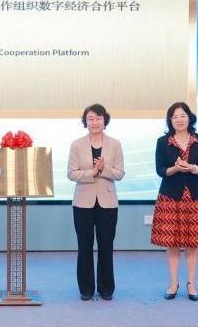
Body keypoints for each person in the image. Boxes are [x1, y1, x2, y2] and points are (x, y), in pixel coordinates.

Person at [151, 101, 198, 301]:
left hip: (194, 197)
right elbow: (160, 170)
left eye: (182, 116)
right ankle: (173, 283)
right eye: (175, 117)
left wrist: (193, 168)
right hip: (171, 198)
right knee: (172, 243)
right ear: (170, 120)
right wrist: (175, 169)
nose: (179, 120)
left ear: (190, 118)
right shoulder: (163, 141)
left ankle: (191, 284)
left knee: (193, 244)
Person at [67, 103, 125, 301]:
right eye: (90, 119)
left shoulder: (115, 144)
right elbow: (71, 173)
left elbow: (120, 173)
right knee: (84, 246)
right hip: (82, 202)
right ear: (85, 122)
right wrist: (92, 172)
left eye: (98, 118)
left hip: (108, 203)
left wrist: (104, 169)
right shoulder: (76, 144)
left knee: (106, 246)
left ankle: (106, 288)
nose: (94, 122)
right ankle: (86, 288)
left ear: (104, 120)